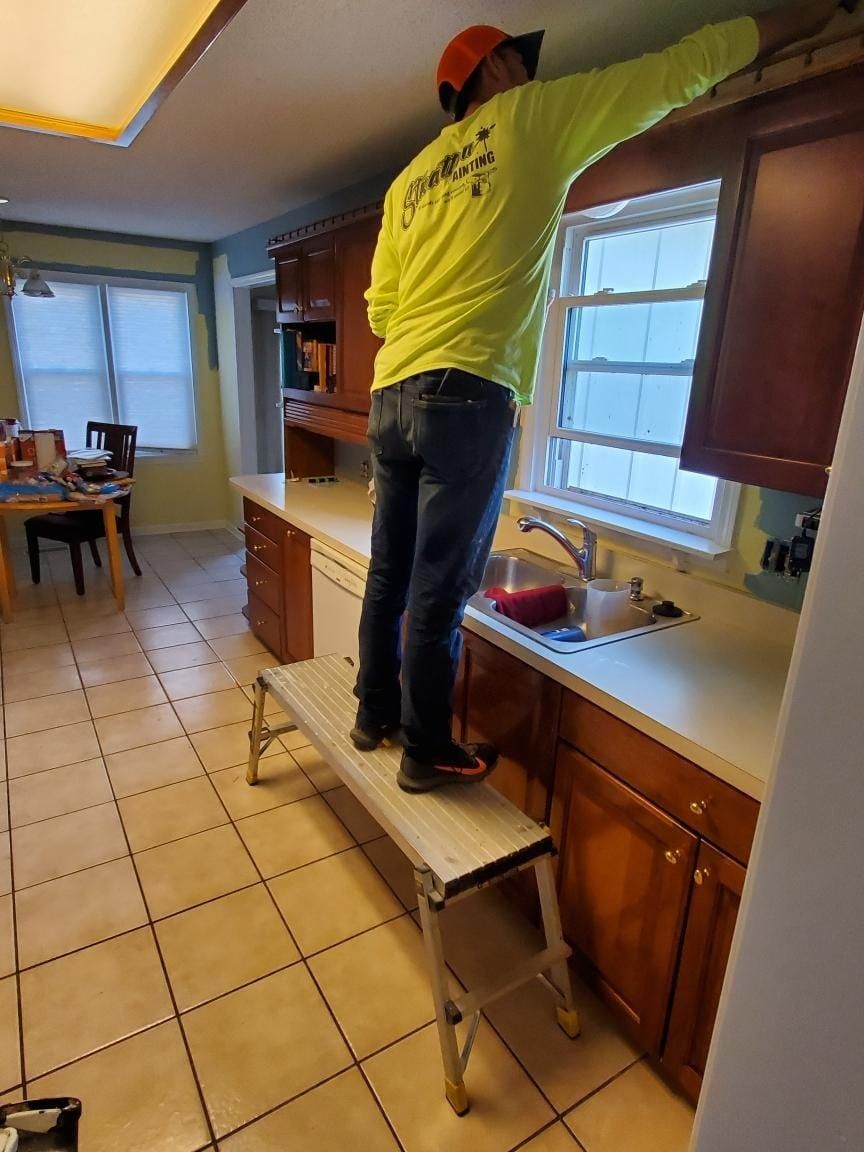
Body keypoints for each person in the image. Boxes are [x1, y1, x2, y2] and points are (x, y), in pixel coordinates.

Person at [353, 1, 842, 793]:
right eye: (518, 60)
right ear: (495, 71)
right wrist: (804, 18)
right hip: (466, 391)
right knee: (441, 587)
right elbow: (679, 70)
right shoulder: (533, 117)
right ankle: (425, 749)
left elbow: (379, 308)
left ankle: (373, 714)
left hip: (392, 394)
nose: (528, 72)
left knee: (391, 573)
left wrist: (425, 321)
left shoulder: (409, 183)